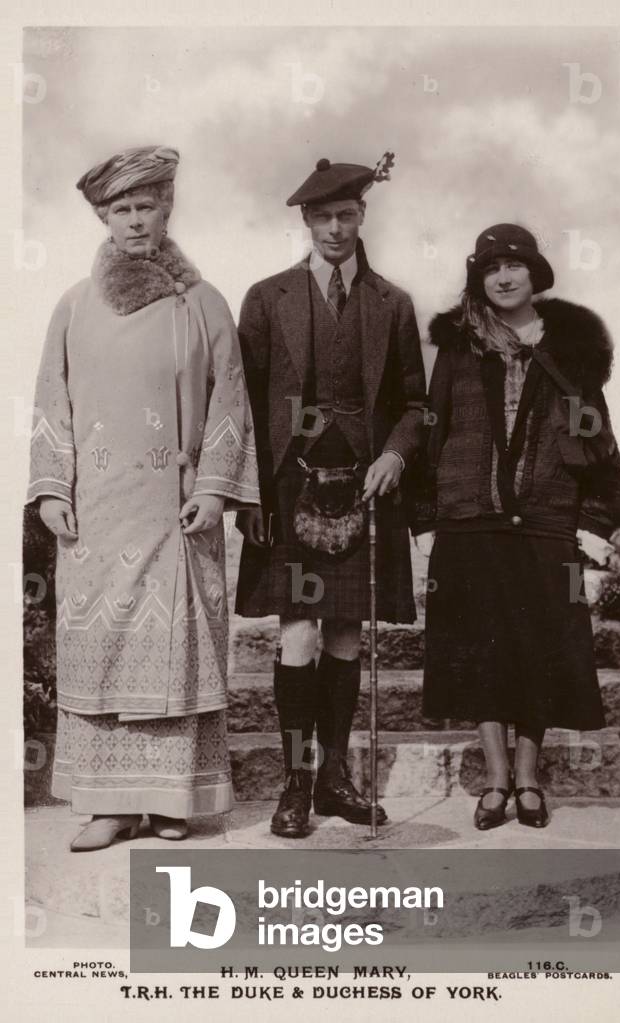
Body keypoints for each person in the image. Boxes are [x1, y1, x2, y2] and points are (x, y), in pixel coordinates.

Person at [27, 145, 260, 851]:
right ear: (104, 216)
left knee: (175, 650)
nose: (135, 220)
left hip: (177, 510)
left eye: (146, 207)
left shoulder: (204, 304)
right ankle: (108, 805)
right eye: (121, 209)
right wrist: (49, 491)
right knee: (102, 650)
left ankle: (170, 800)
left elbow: (232, 399)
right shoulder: (74, 305)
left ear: (167, 210)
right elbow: (51, 402)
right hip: (96, 514)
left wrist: (218, 488)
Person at [411, 223, 620, 830]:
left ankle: (530, 778)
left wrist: (595, 522)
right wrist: (427, 515)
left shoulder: (572, 351)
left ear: (535, 276)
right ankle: (495, 777)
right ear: (478, 280)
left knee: (540, 650)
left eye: (515, 266)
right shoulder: (458, 349)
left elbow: (599, 441)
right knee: (480, 649)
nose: (503, 277)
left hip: (545, 519)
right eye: (490, 268)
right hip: (471, 520)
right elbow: (434, 429)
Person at [235, 154, 426, 837]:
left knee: (346, 630)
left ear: (362, 216)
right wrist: (248, 493)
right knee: (296, 634)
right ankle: (296, 778)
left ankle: (337, 777)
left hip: (366, 491)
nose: (336, 229)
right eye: (323, 217)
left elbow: (414, 401)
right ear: (306, 221)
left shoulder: (393, 303)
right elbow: (244, 403)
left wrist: (397, 452)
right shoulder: (266, 298)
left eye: (347, 215)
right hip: (289, 487)